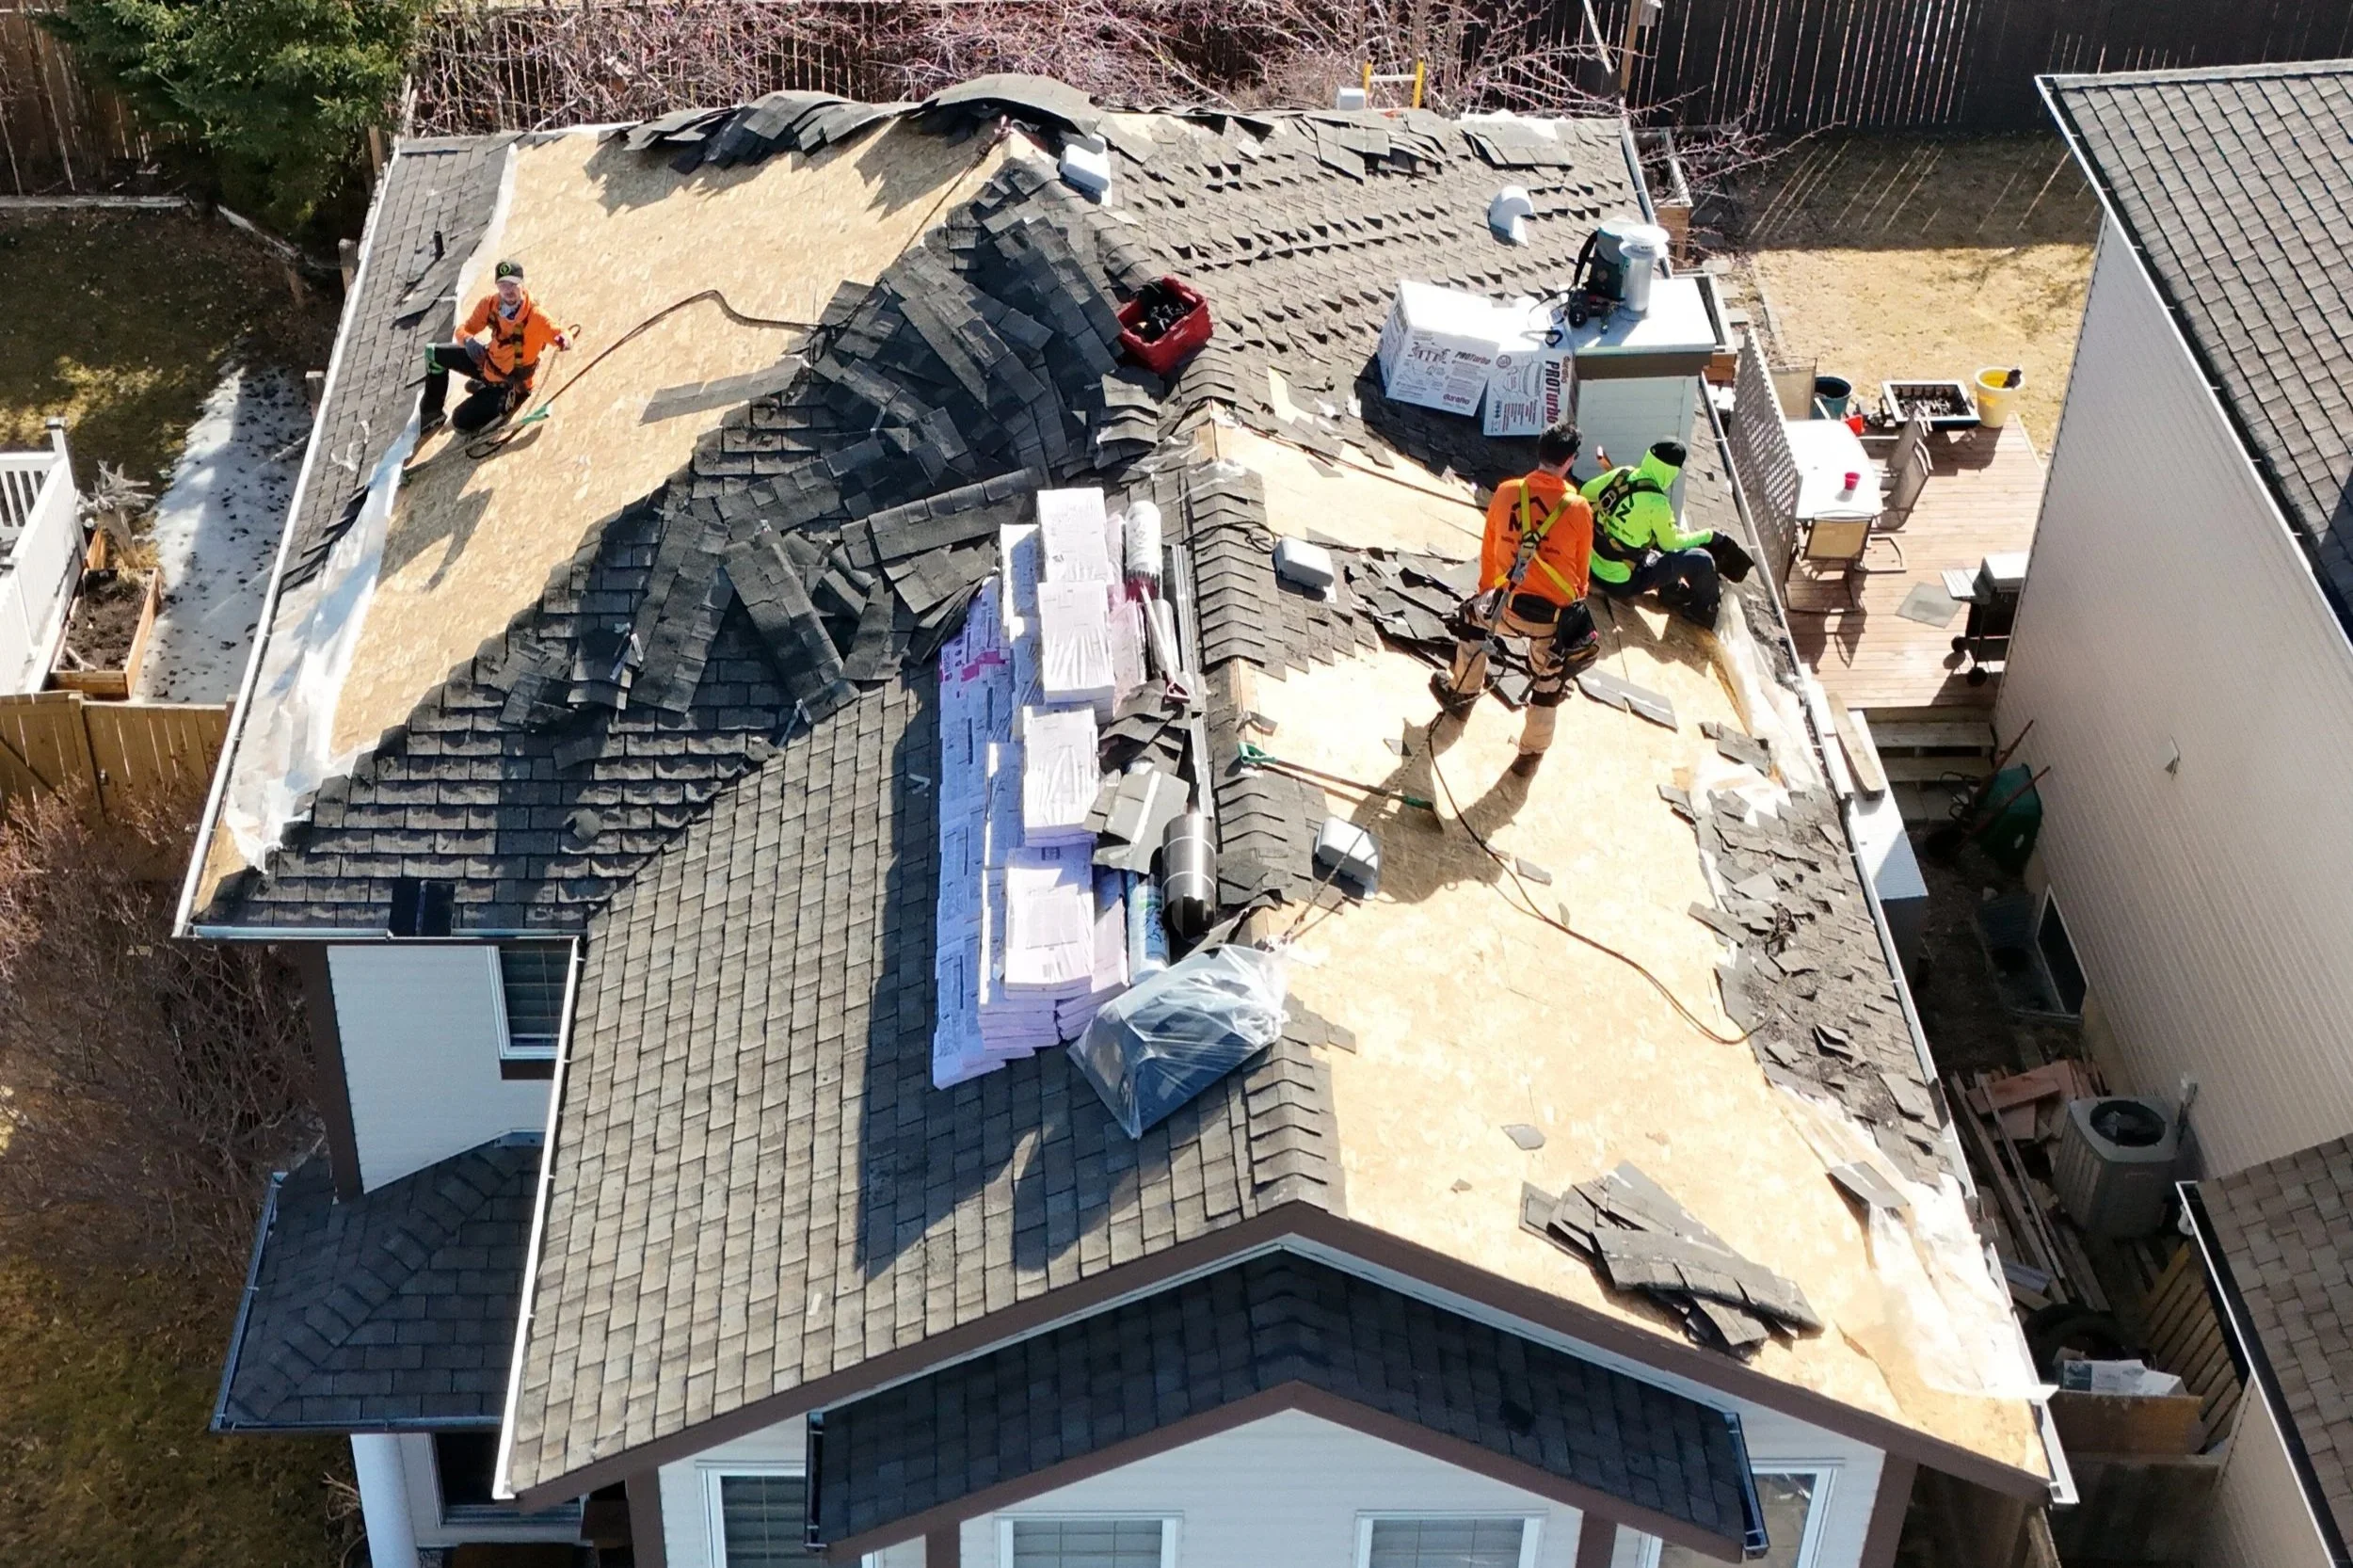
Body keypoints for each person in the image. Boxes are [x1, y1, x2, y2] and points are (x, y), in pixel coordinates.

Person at [1430, 419, 1601, 778]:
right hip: (1550, 619)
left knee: (1471, 626)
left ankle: (1461, 697)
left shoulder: (1507, 492)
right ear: (1570, 460)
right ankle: (1530, 755)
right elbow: (1581, 573)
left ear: (1539, 452)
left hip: (1505, 603)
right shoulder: (1578, 508)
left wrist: (1486, 597)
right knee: (1548, 682)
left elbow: (1490, 553)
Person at [418, 259, 569, 439]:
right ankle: (432, 413)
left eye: (512, 284)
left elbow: (558, 333)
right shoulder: (490, 305)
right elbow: (463, 329)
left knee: (460, 422)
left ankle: (500, 401)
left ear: (522, 284)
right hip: (488, 362)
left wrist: (563, 340)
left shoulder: (535, 317)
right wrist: (467, 340)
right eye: (502, 284)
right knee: (433, 353)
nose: (507, 290)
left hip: (509, 384)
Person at [1582, 439, 1722, 628]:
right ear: (1670, 471)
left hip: (1591, 563)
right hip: (1620, 582)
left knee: (1650, 542)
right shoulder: (1658, 504)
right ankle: (1702, 613)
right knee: (1700, 558)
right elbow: (1670, 544)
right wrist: (1707, 535)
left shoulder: (1622, 474)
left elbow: (1585, 492)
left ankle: (1672, 592)